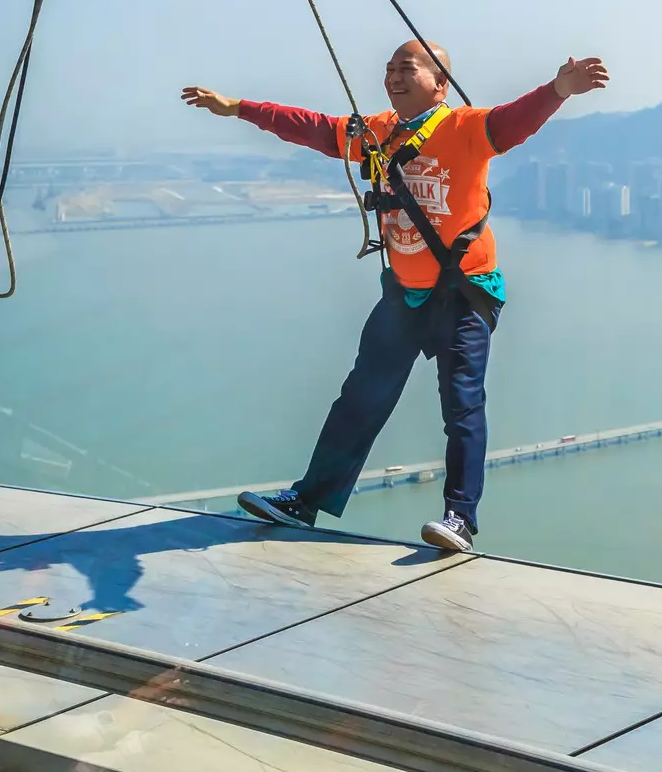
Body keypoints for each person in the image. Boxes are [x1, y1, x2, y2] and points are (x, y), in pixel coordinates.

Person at [182, 43, 610, 552]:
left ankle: (459, 518)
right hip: (404, 295)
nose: (393, 78)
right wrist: (238, 108)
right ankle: (307, 501)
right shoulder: (376, 133)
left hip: (463, 293)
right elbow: (311, 126)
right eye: (388, 70)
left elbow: (515, 122)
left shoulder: (465, 129)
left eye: (407, 68)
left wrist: (560, 88)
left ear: (440, 83)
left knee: (462, 404)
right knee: (360, 398)